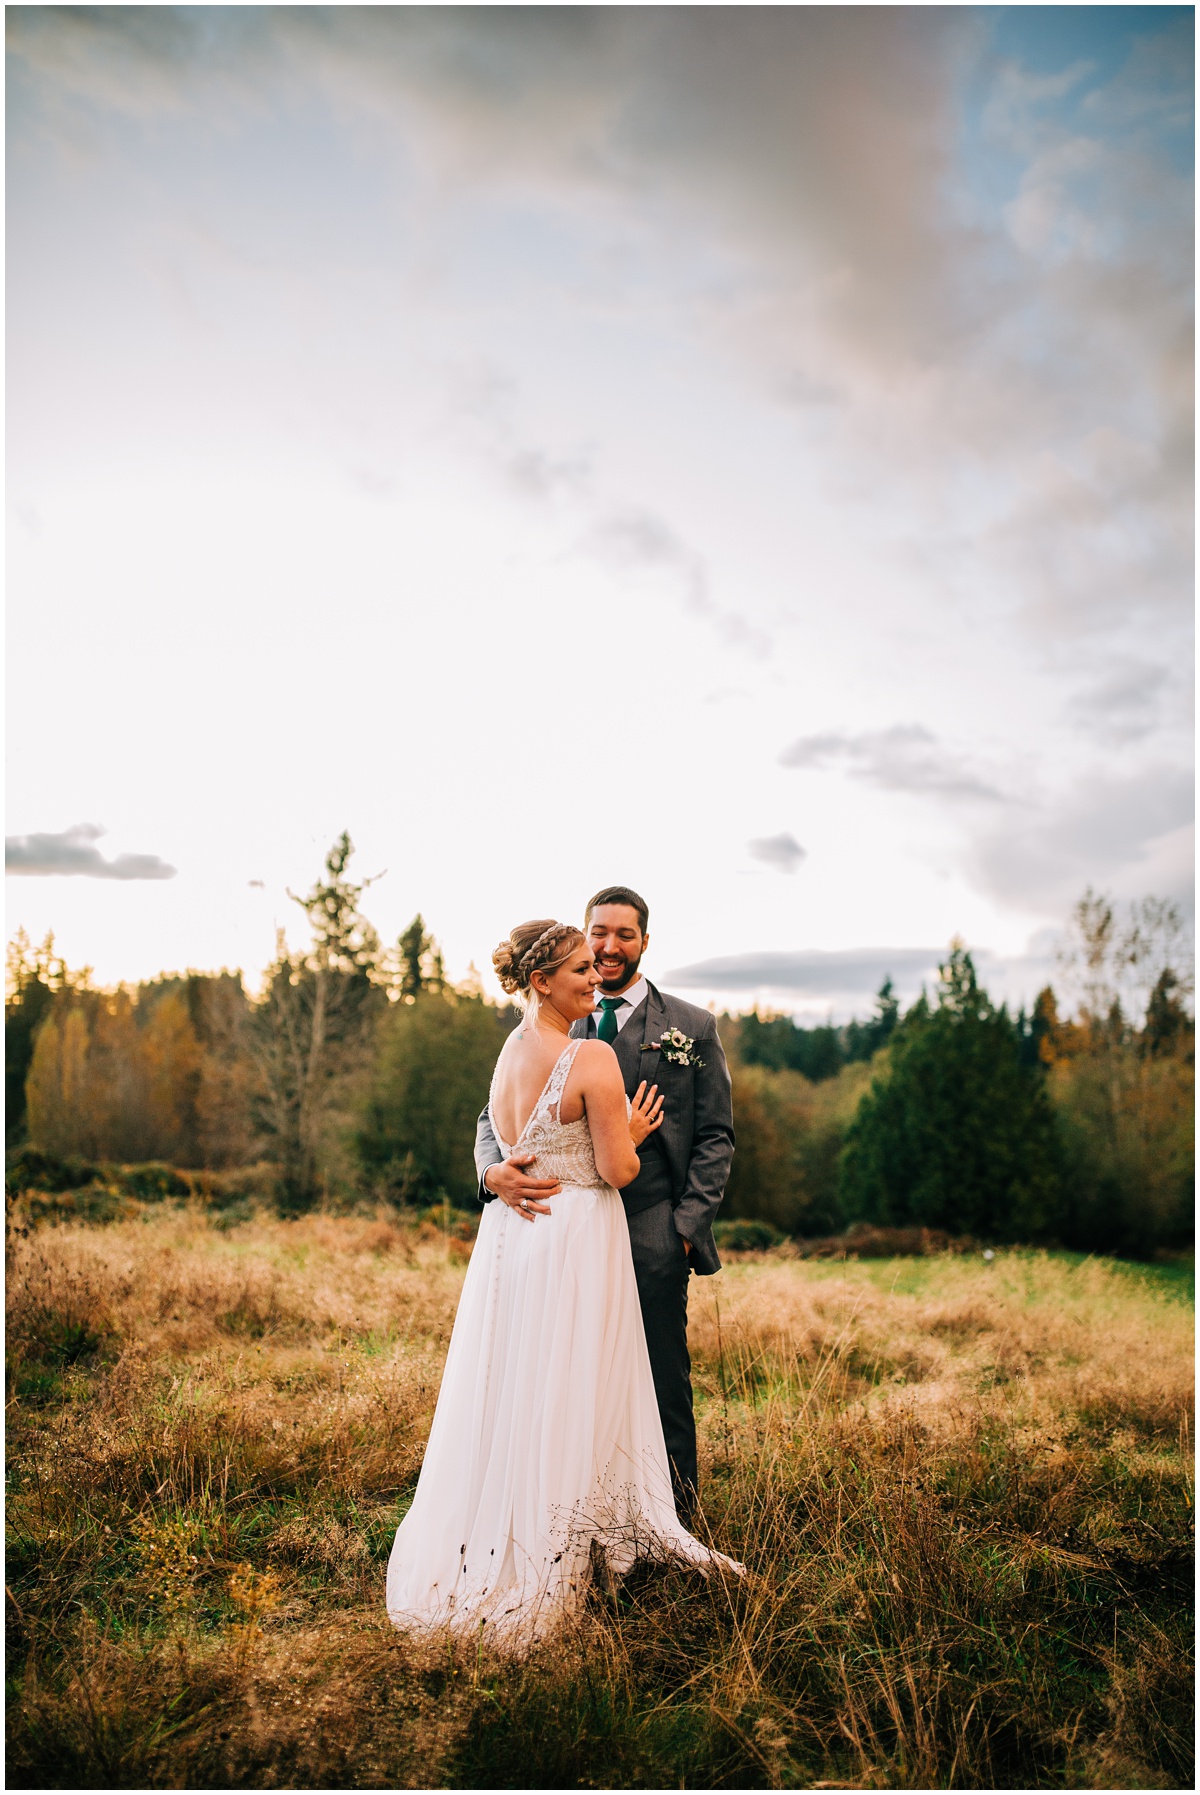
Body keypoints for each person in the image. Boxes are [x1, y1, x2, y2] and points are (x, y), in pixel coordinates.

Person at [386, 919, 741, 1647]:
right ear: (542, 979)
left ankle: (510, 1531)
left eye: (597, 963)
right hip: (577, 1234)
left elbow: (525, 1130)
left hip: (518, 1241)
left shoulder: (511, 1047)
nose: (594, 976)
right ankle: (567, 1541)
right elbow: (615, 1169)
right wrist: (630, 1135)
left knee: (520, 1385)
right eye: (580, 967)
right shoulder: (590, 1055)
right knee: (577, 1380)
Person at [474, 886, 735, 1523]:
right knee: (565, 1384)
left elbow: (714, 1136)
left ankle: (671, 1521)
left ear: (645, 940)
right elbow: (492, 1117)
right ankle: (583, 1523)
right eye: (598, 934)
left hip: (649, 1235)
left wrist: (683, 1228)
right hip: (562, 1231)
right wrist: (492, 1173)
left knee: (657, 1387)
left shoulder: (690, 1027)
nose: (608, 947)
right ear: (582, 939)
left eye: (623, 934)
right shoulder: (557, 1015)